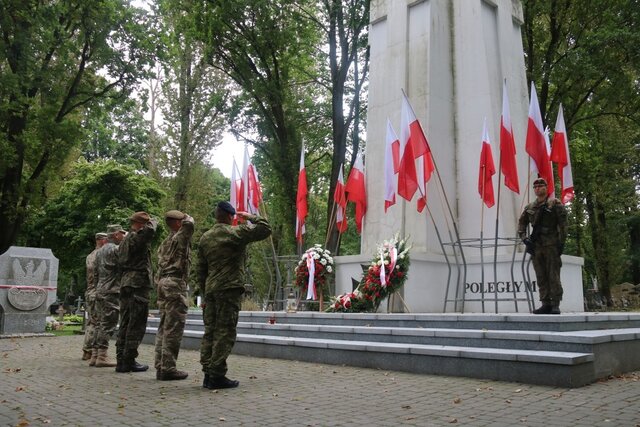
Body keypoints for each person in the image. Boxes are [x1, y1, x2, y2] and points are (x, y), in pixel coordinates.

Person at [198, 201, 271, 389]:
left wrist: (204, 294)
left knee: (210, 332)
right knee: (225, 332)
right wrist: (249, 217)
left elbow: (200, 269)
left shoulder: (205, 238)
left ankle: (207, 374)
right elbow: (265, 229)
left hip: (211, 290)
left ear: (216, 216)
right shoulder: (236, 233)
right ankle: (217, 376)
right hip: (229, 289)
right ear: (230, 217)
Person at [154, 210, 194, 381]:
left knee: (164, 326)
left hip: (163, 283)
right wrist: (186, 216)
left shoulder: (165, 242)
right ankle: (168, 368)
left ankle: (160, 365)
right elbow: (190, 224)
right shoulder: (179, 238)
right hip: (174, 283)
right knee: (173, 327)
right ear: (178, 223)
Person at [518, 178, 568, 314]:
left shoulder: (554, 204)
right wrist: (524, 238)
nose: (538, 188)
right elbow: (521, 224)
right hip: (536, 246)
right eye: (535, 187)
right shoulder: (530, 207)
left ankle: (555, 303)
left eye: (541, 186)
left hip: (551, 244)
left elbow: (563, 225)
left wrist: (561, 243)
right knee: (541, 276)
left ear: (546, 187)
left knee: (553, 275)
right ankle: (545, 303)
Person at [116, 211, 157, 372]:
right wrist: (153, 220)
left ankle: (121, 360)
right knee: (136, 323)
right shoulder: (137, 237)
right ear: (141, 224)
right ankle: (129, 360)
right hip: (137, 284)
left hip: (126, 282)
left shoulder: (125, 239)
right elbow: (151, 230)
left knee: (125, 322)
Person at [91, 225, 126, 367]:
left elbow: (95, 273)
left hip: (100, 289)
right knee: (108, 324)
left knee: (99, 323)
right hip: (111, 291)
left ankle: (95, 354)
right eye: (122, 234)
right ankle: (102, 356)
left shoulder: (99, 252)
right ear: (116, 235)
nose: (124, 236)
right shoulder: (115, 250)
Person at [82, 232, 108, 360]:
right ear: (102, 241)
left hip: (90, 291)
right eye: (107, 239)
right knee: (96, 323)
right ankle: (90, 350)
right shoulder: (100, 255)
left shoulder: (90, 255)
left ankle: (87, 351)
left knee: (91, 322)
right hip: (96, 292)